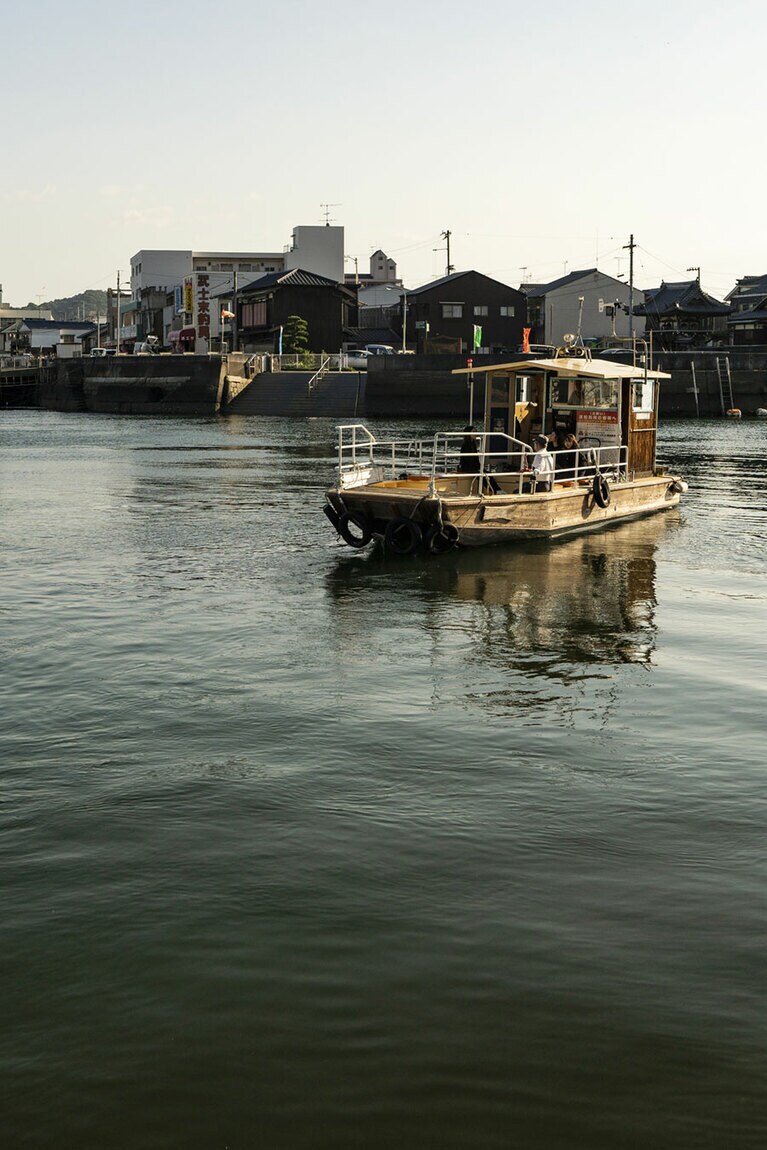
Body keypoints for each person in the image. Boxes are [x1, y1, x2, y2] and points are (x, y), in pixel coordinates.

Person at [458, 425, 500, 494]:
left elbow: (475, 459)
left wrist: (480, 467)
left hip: (473, 466)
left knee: (488, 474)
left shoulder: (473, 444)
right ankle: (494, 490)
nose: (476, 433)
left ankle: (497, 490)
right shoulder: (466, 445)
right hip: (467, 467)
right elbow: (467, 460)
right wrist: (477, 468)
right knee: (482, 476)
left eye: (476, 431)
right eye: (474, 432)